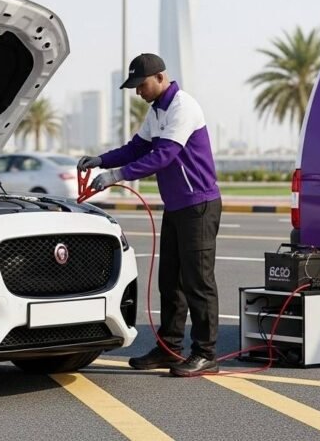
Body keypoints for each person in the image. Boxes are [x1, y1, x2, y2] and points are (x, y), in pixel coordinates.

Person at [81, 53, 222, 376]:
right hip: (176, 206)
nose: (137, 92)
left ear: (160, 78)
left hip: (198, 205)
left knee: (198, 282)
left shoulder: (182, 107)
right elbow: (136, 148)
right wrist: (100, 160)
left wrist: (116, 177)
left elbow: (163, 156)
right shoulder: (157, 111)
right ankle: (170, 349)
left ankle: (206, 353)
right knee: (169, 281)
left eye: (141, 85)